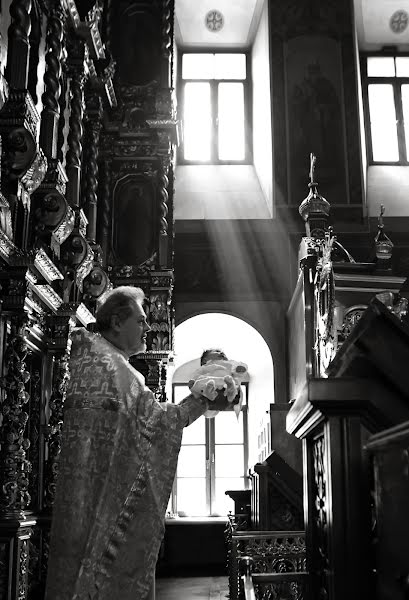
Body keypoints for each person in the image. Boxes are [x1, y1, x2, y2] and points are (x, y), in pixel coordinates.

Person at [45, 286, 229, 600]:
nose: (148, 327)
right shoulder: (117, 371)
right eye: (141, 321)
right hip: (103, 508)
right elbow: (158, 426)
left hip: (74, 506)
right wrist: (202, 402)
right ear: (117, 322)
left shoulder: (93, 359)